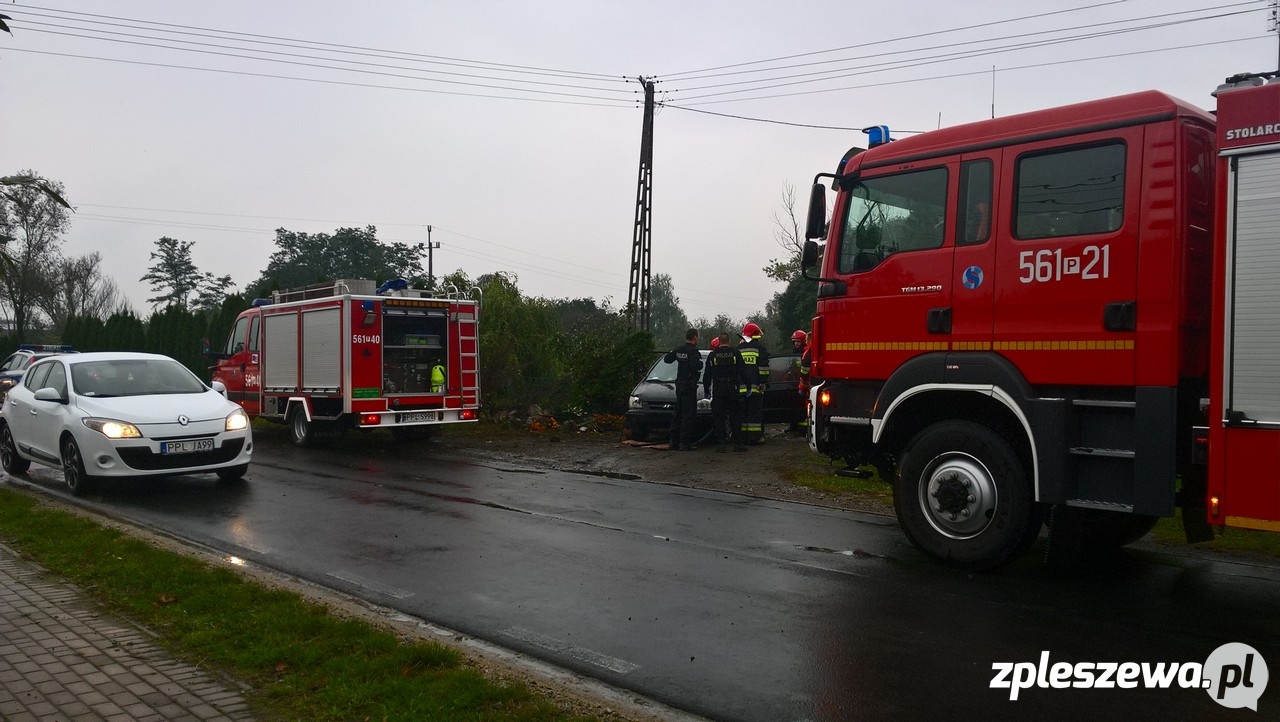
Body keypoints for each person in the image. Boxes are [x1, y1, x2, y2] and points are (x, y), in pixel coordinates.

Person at [703, 332, 747, 453]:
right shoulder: (735, 353)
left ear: (719, 342)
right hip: (732, 389)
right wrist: (747, 386)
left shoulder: (713, 355)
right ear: (729, 341)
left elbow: (707, 375)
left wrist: (707, 390)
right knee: (735, 416)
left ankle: (721, 444)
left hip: (718, 390)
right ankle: (737, 444)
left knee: (719, 417)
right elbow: (743, 371)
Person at [663, 327, 703, 451]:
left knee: (678, 413)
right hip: (689, 386)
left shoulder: (679, 349)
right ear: (695, 337)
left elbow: (667, 359)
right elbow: (696, 366)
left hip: (679, 385)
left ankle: (673, 441)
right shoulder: (694, 351)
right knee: (688, 414)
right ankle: (685, 442)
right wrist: (700, 364)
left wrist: (673, 352)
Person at [737, 322, 770, 445]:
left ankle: (743, 437)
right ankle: (755, 438)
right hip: (756, 388)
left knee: (743, 414)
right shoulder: (760, 348)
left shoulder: (738, 348)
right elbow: (763, 368)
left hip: (741, 389)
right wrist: (763, 381)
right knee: (754, 414)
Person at [791, 330, 811, 432]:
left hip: (805, 381)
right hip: (795, 381)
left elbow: (805, 369)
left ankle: (803, 427)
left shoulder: (806, 352)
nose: (796, 344)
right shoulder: (794, 352)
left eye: (798, 341)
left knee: (805, 404)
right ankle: (794, 426)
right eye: (794, 342)